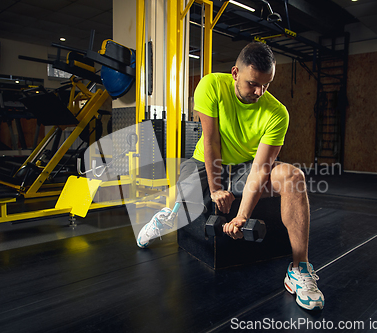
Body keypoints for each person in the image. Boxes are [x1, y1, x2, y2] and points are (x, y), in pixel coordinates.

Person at [137, 42, 324, 311]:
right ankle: (167, 216)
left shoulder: (277, 112)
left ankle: (299, 268)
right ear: (235, 73)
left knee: (293, 177)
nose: (259, 92)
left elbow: (260, 168)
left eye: (266, 85)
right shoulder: (210, 85)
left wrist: (242, 215)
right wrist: (215, 190)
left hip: (246, 167)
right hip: (205, 161)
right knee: (184, 183)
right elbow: (211, 141)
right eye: (252, 84)